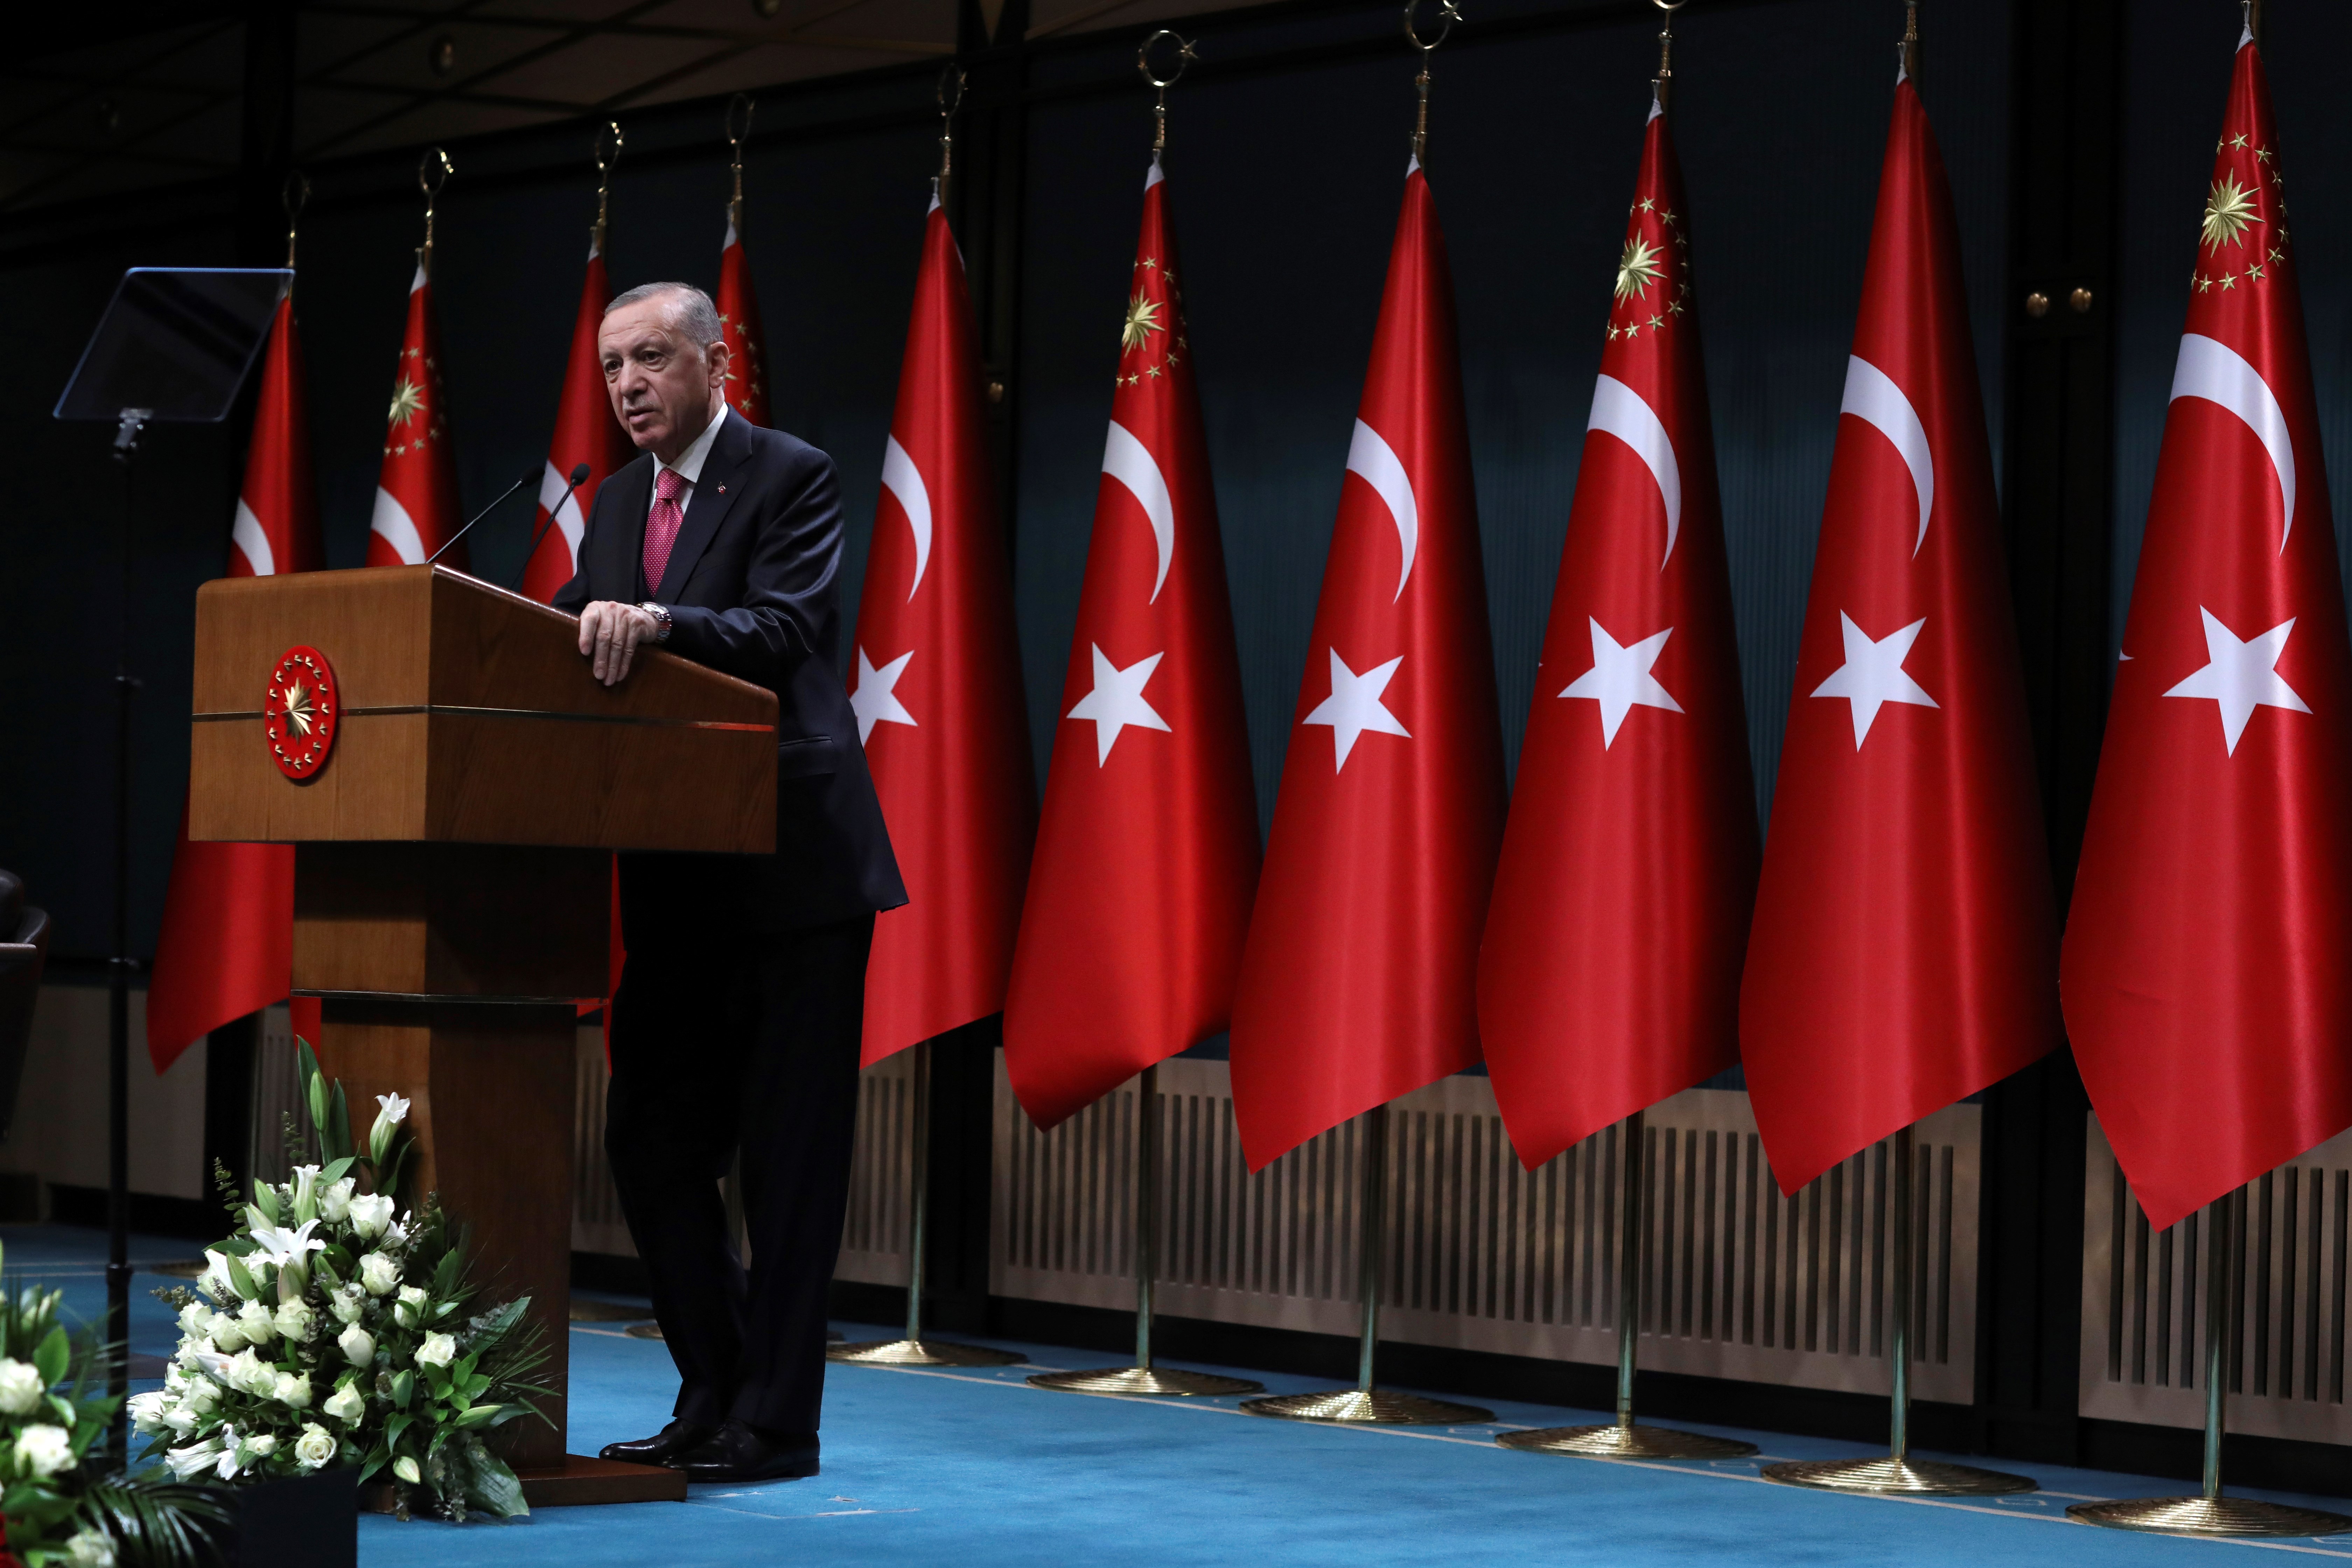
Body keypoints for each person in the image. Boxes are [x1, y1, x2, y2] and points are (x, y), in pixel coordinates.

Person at [554, 280, 905, 1483]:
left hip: (792, 876)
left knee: (788, 1169)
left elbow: (786, 626)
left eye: (651, 359)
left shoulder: (788, 472)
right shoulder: (608, 502)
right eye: (612, 368)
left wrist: (655, 621)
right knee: (650, 1148)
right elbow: (563, 629)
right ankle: (715, 1381)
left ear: (715, 363)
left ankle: (779, 1424)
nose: (629, 386)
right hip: (673, 883)